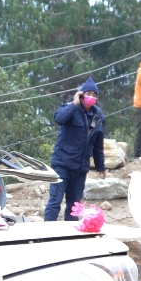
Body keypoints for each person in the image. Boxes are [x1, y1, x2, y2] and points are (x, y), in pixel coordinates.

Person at [46, 80, 97, 220]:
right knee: (55, 202)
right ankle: (44, 236)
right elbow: (59, 119)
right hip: (61, 164)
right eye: (88, 93)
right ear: (81, 94)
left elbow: (96, 143)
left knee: (74, 206)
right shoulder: (70, 108)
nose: (91, 97)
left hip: (80, 168)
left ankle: (70, 237)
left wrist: (101, 165)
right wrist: (74, 103)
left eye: (94, 94)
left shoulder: (96, 116)